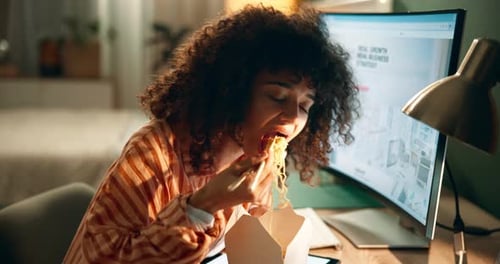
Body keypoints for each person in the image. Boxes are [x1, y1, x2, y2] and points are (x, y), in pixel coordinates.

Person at [64, 4, 358, 263]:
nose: (293, 117)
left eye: (306, 106)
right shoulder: (153, 152)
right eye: (278, 97)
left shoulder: (257, 156)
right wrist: (202, 206)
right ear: (233, 90)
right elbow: (102, 258)